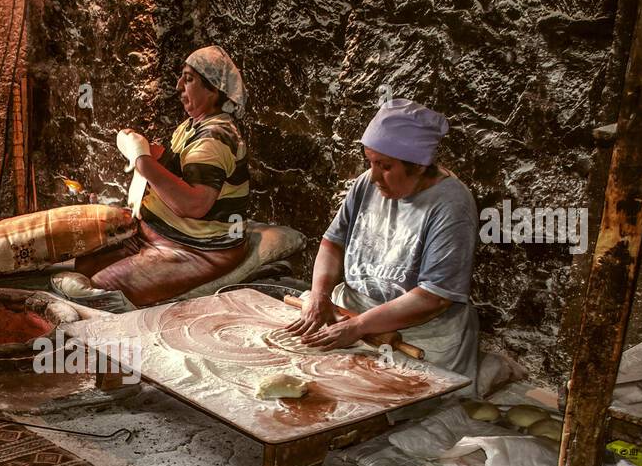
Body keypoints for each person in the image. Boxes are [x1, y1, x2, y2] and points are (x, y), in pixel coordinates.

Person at [289, 98, 480, 393]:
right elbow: (332, 243)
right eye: (371, 162)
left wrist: (359, 327)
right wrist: (319, 295)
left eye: (385, 166)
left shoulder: (451, 206)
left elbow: (433, 298)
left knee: (385, 405)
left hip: (419, 332)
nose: (374, 175)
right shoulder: (368, 183)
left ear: (418, 167)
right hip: (352, 308)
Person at [51, 45, 251, 312]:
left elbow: (194, 205)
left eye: (189, 79)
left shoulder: (214, 138)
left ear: (213, 90)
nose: (179, 85)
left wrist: (143, 162)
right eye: (182, 76)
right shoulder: (190, 126)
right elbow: (171, 165)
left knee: (95, 291)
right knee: (84, 266)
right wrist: (141, 147)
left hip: (195, 248)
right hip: (156, 234)